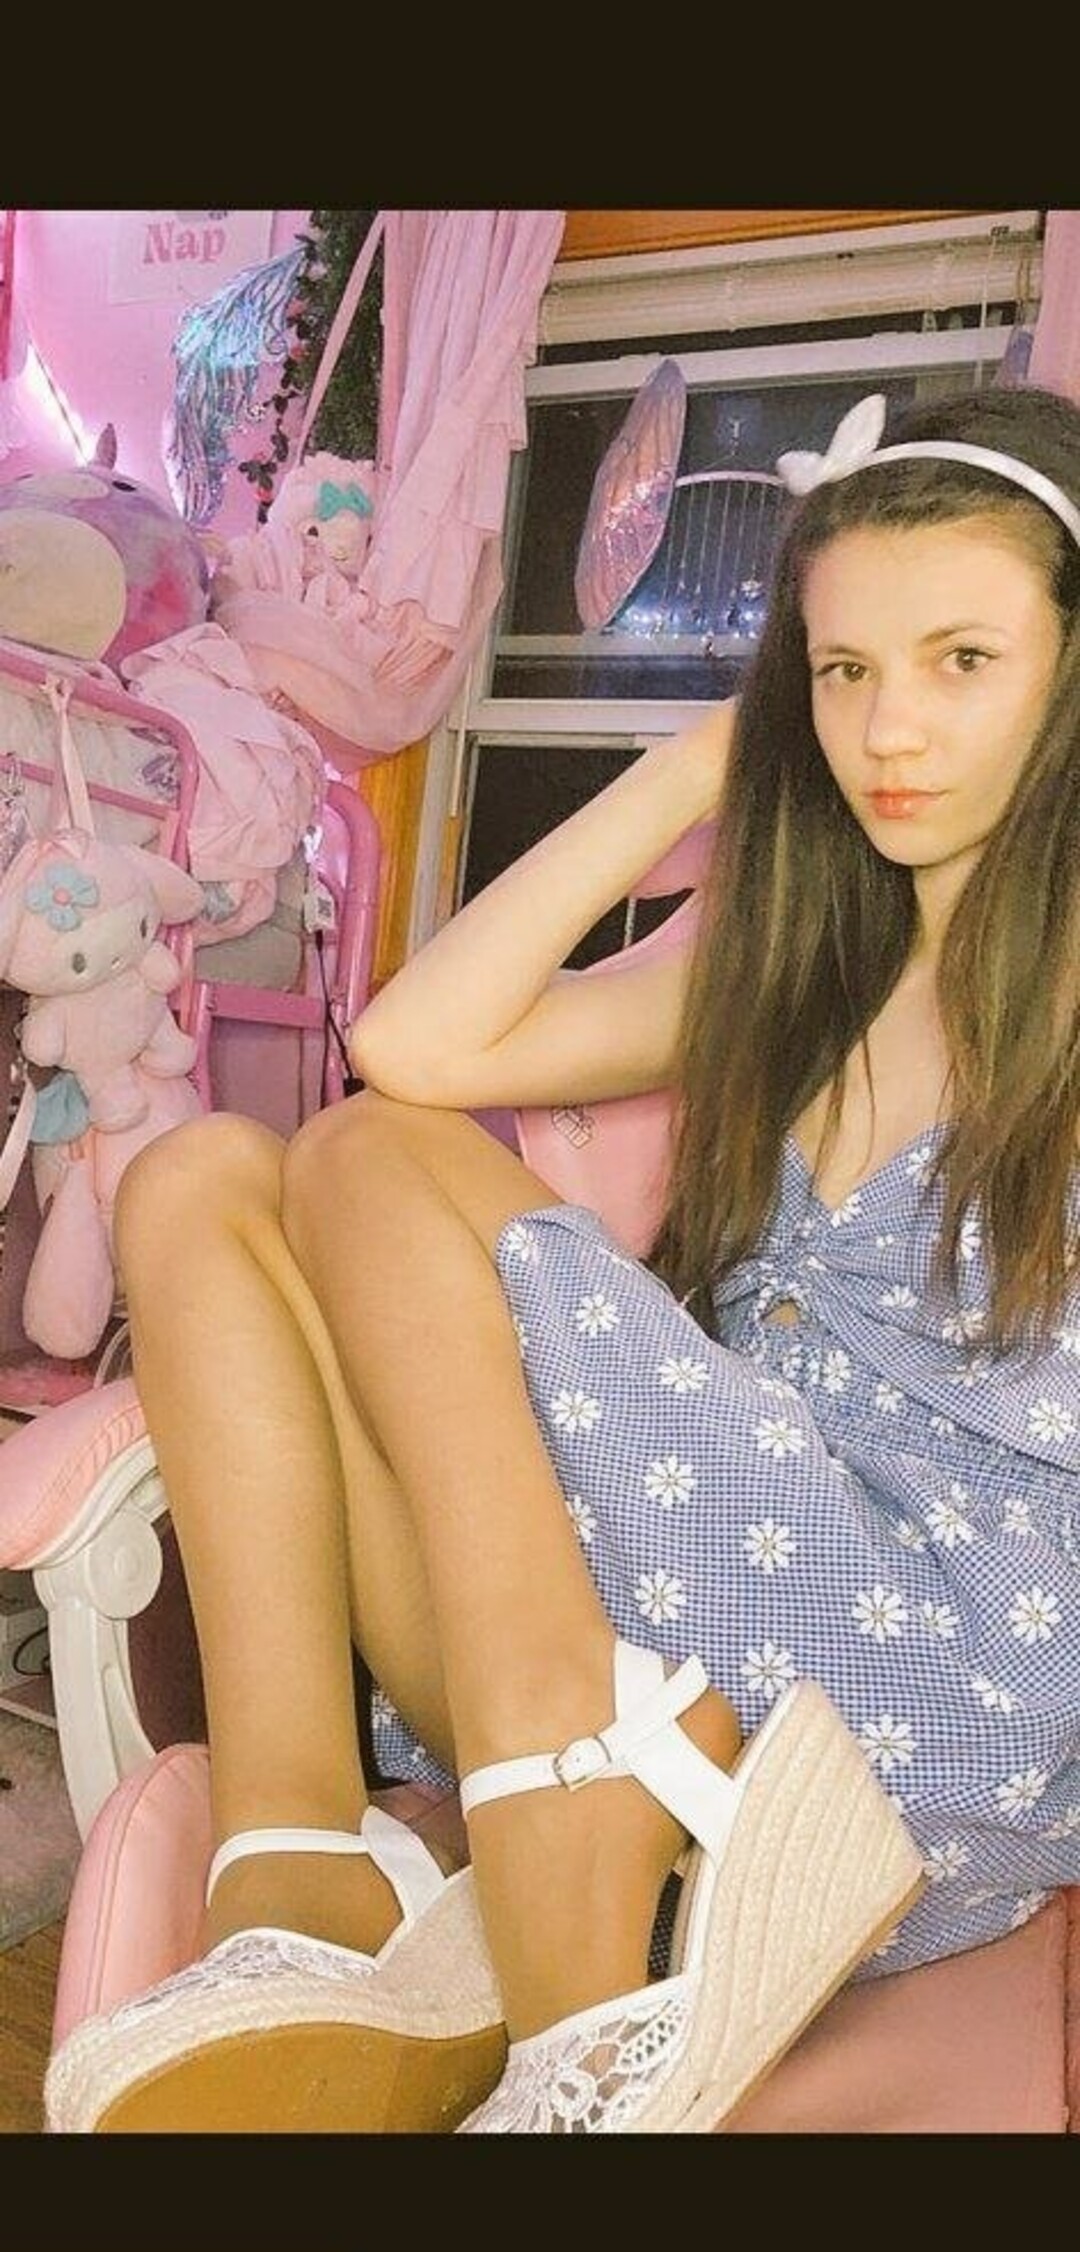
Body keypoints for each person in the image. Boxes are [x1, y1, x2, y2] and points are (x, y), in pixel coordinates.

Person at [45, 382, 1079, 2136]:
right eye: (840, 671)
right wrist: (697, 763)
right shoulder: (783, 971)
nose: (888, 727)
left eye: (962, 661)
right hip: (682, 1652)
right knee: (201, 1180)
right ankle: (302, 1856)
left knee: (360, 1157)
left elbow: (389, 1111)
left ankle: (552, 1757)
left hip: (923, 1709)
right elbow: (415, 1040)